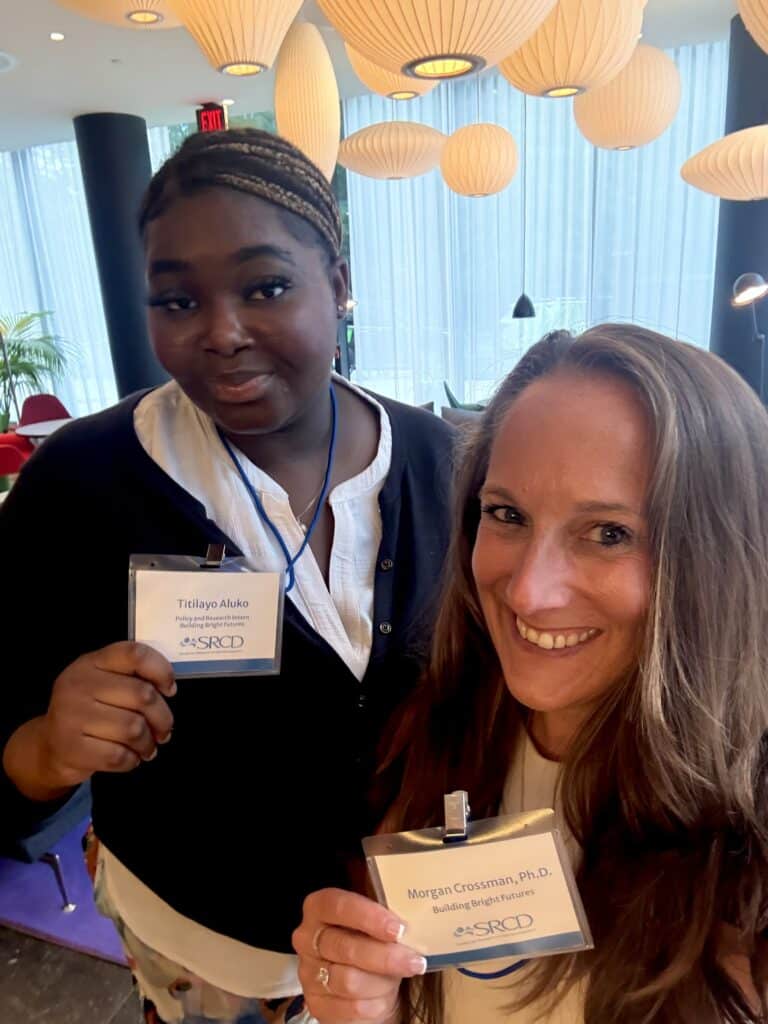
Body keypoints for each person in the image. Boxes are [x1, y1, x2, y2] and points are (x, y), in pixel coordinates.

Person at [0, 128, 455, 1024]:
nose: (222, 334)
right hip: (204, 951)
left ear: (341, 282)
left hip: (411, 951)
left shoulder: (447, 463)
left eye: (267, 286)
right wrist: (54, 746)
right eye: (175, 300)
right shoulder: (81, 483)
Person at [293, 325, 768, 1024]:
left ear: (715, 559)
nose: (526, 592)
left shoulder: (745, 854)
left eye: (608, 533)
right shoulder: (431, 732)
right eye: (507, 514)